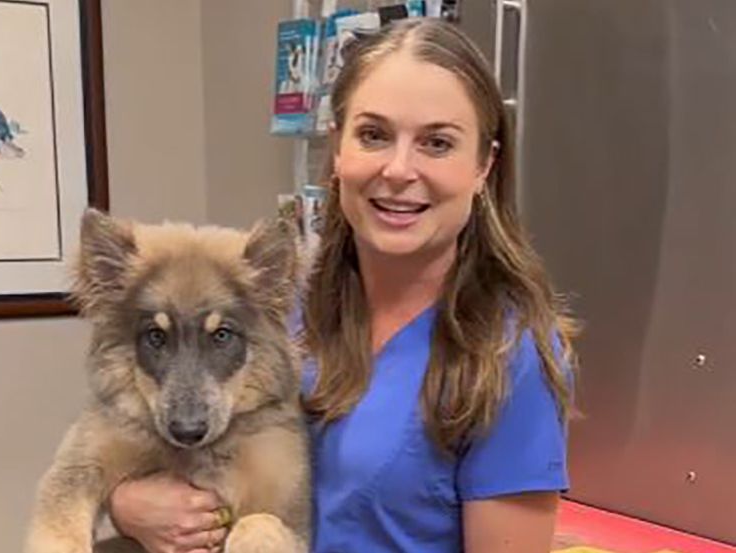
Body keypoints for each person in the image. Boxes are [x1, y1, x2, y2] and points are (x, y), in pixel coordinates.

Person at [106, 17, 577, 553]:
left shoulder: (508, 354)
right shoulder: (275, 307)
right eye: (374, 135)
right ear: (337, 148)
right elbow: (170, 440)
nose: (398, 170)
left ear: (483, 166)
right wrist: (127, 503)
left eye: (437, 143)